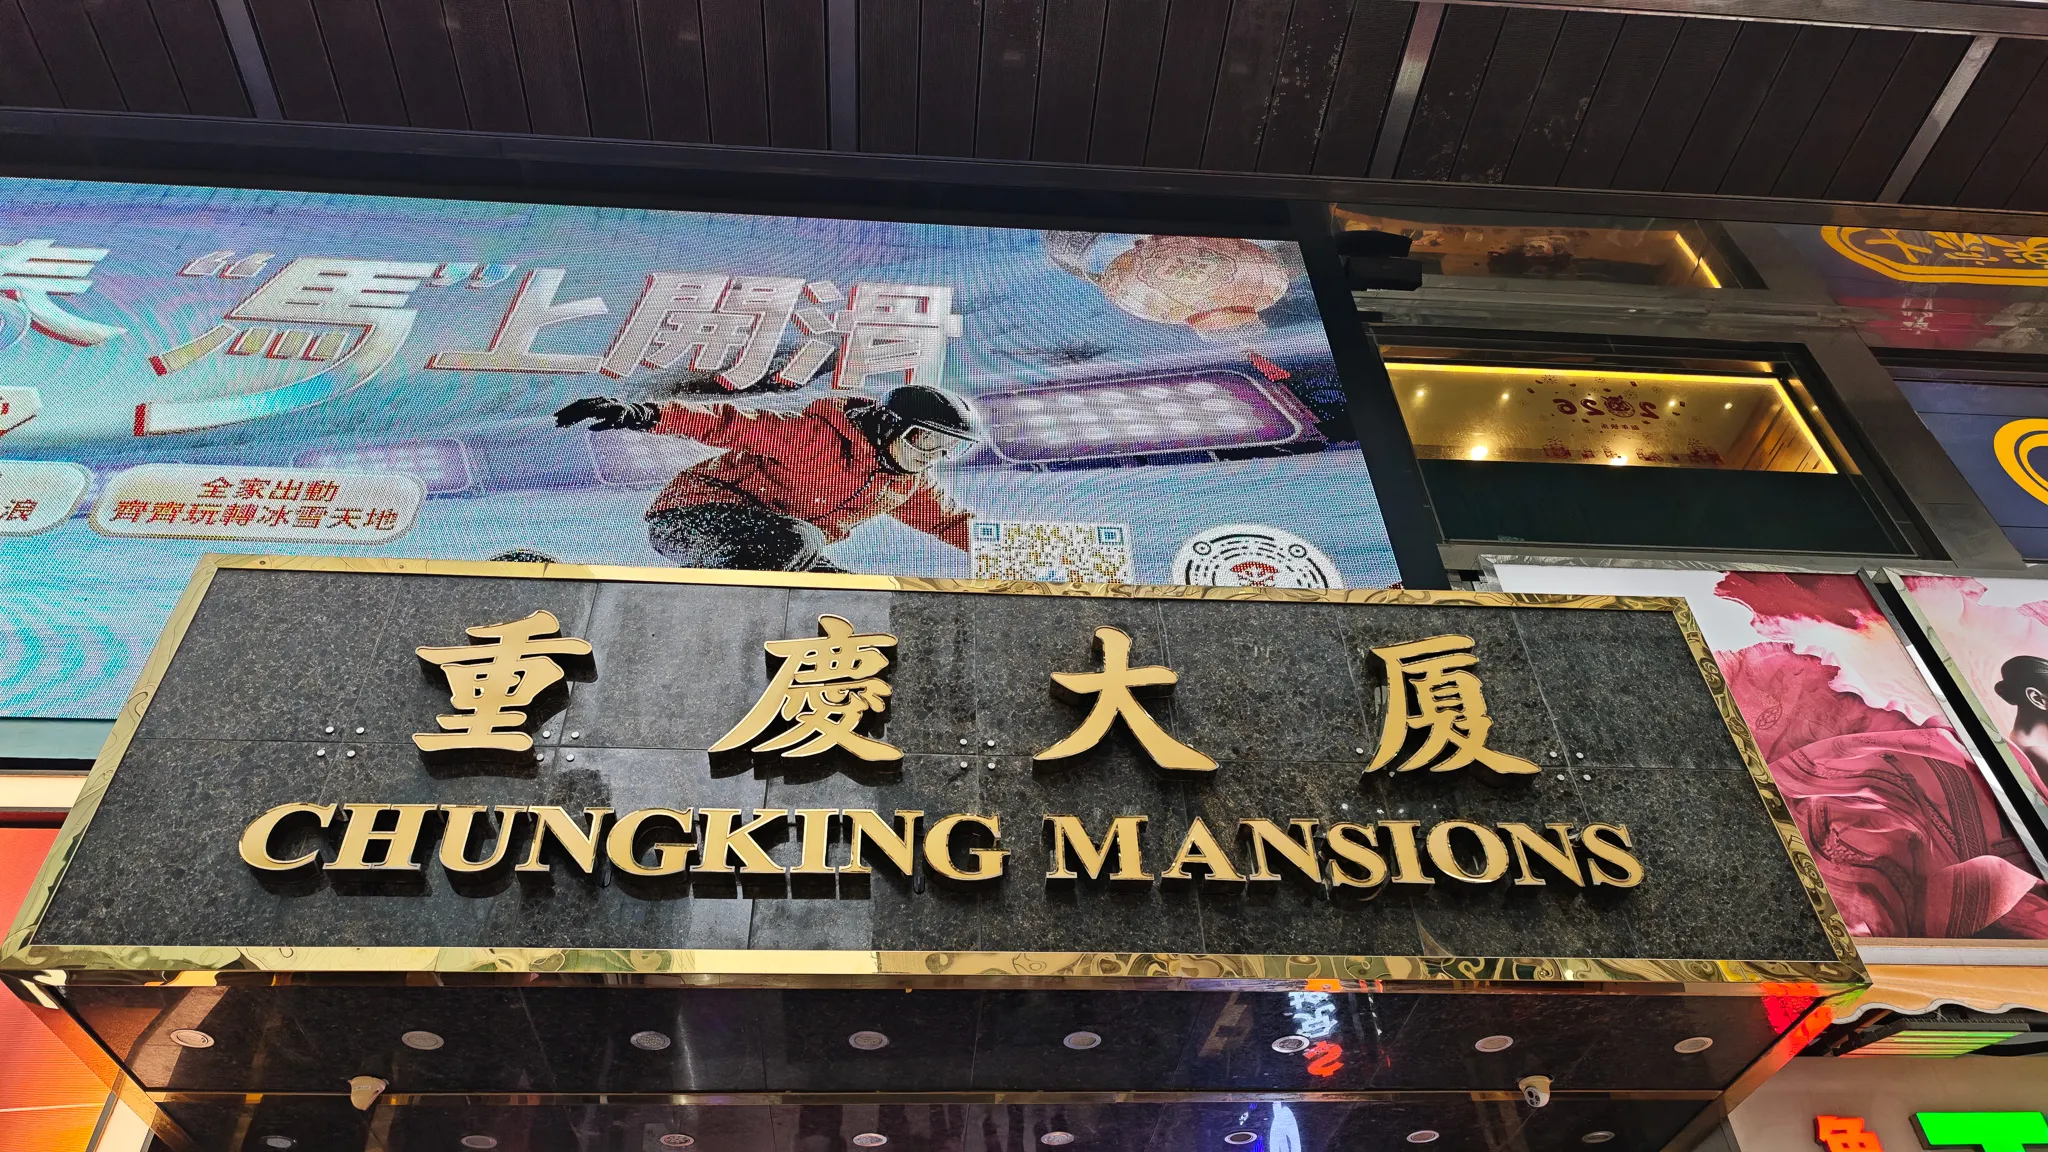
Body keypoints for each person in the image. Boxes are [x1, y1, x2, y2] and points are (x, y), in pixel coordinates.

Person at [554, 385, 979, 572]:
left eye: (947, 449)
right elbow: (726, 423)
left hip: (775, 544)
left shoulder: (905, 483)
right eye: (924, 440)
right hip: (692, 518)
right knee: (801, 540)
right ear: (889, 425)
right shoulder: (816, 436)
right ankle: (713, 601)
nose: (932, 457)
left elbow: (954, 524)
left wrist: (1035, 554)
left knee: (845, 596)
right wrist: (644, 414)